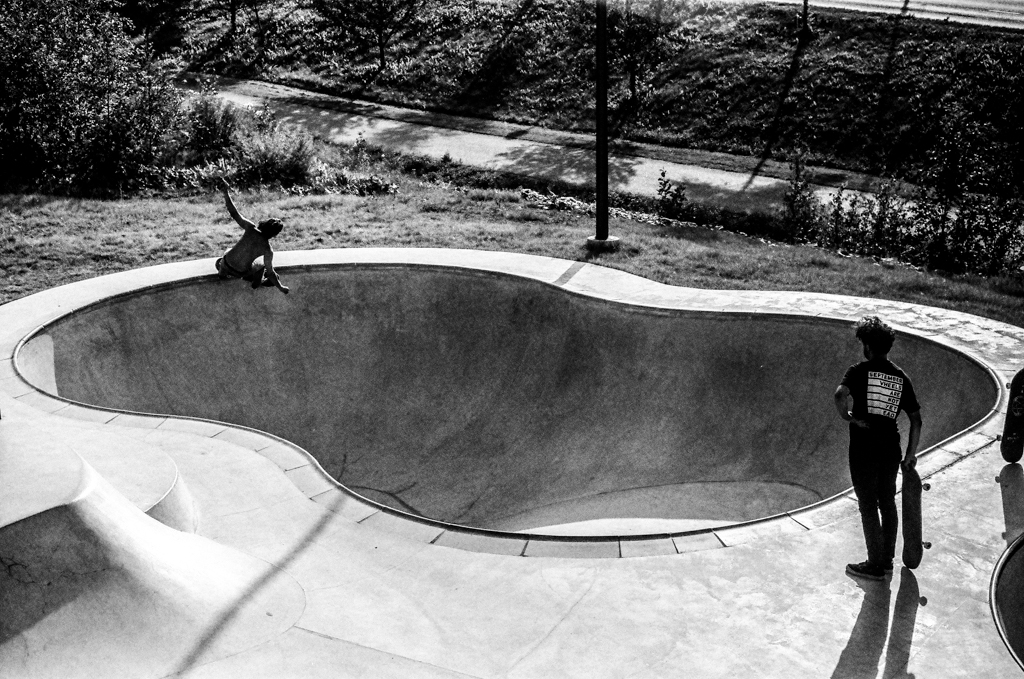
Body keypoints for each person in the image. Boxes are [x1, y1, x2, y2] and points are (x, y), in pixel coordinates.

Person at [834, 316, 922, 581]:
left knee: (867, 504)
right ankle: (886, 560)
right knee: (887, 501)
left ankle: (874, 564)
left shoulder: (858, 370)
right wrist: (910, 455)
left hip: (864, 448)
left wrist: (848, 417)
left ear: (869, 346)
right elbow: (916, 420)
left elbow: (839, 395)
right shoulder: (900, 376)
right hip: (891, 447)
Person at [215, 177, 289, 294]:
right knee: (261, 266)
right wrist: (281, 287)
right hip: (239, 272)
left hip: (226, 263)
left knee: (229, 250)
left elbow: (234, 213)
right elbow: (271, 272)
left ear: (264, 223)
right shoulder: (267, 249)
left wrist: (226, 192)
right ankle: (257, 282)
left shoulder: (250, 228)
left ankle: (221, 272)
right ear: (274, 235)